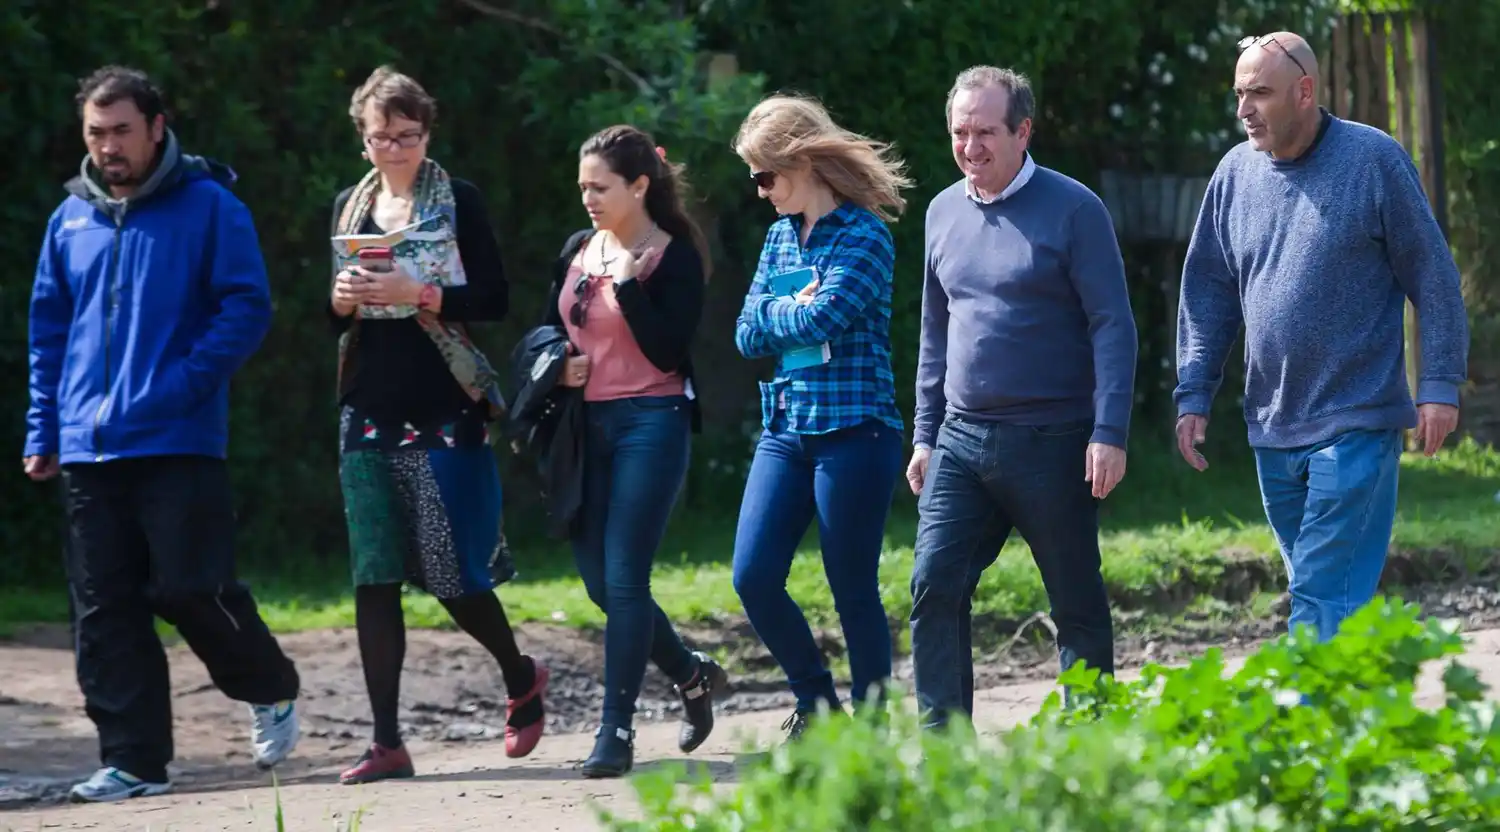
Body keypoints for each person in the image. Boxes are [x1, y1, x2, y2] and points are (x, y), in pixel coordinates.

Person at [23, 65, 303, 803]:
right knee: (103, 610)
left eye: (121, 130)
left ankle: (268, 685)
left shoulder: (210, 206)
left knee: (189, 588)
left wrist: (176, 389)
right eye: (96, 133)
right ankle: (133, 761)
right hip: (86, 445)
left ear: (156, 127)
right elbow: (49, 332)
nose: (108, 146)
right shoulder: (69, 219)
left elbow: (245, 309)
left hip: (179, 438)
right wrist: (43, 426)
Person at [1175, 33, 1468, 643]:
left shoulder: (1373, 160)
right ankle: (1357, 701)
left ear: (1304, 92)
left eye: (1260, 93)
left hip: (1356, 421)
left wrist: (1440, 382)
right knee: (1330, 597)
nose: (1244, 109)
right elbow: (1208, 291)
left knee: (1319, 595)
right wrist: (1194, 390)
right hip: (1272, 427)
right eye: (1239, 94)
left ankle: (1307, 705)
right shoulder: (1234, 173)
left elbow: (1432, 274)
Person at [326, 67, 549, 784]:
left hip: (443, 402)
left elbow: (495, 297)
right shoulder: (349, 206)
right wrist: (340, 299)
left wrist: (419, 292)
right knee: (374, 575)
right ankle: (386, 742)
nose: (394, 148)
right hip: (366, 404)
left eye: (407, 135)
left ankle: (520, 676)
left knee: (452, 572)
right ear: (362, 139)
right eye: (381, 137)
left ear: (427, 134)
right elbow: (329, 317)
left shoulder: (460, 202)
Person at [908, 66, 1137, 729]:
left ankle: (1092, 744)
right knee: (933, 585)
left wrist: (1110, 431)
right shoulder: (942, 212)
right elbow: (934, 331)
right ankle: (944, 751)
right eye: (960, 132)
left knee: (1075, 601)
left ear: (1023, 132)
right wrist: (924, 434)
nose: (970, 147)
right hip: (961, 439)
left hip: (1054, 440)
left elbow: (1113, 325)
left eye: (985, 132)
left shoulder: (1075, 210)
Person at [545, 124, 729, 778]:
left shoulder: (674, 256)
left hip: (652, 420)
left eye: (600, 187)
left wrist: (626, 285)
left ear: (640, 185)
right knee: (600, 583)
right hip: (584, 428)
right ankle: (691, 673)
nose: (588, 198)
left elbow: (668, 350)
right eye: (583, 187)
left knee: (625, 579)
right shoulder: (577, 248)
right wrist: (557, 364)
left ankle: (615, 729)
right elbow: (550, 326)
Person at [729, 94, 911, 740]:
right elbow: (745, 334)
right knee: (752, 576)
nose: (760, 192)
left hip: (857, 431)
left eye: (765, 177)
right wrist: (788, 312)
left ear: (802, 162)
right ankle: (816, 701)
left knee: (851, 585)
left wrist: (778, 314)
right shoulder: (779, 238)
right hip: (787, 428)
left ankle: (873, 726)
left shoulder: (866, 236)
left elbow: (824, 319)